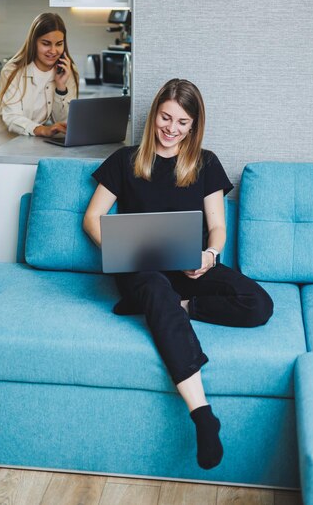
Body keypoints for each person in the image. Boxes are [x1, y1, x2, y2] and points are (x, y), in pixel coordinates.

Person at [83, 78, 273, 470]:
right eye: (165, 118)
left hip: (189, 267)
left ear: (193, 126)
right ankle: (203, 415)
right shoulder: (126, 160)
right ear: (154, 115)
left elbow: (217, 227)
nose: (171, 129)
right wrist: (123, 251)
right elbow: (92, 219)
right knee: (154, 284)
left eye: (182, 122)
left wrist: (209, 254)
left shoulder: (204, 163)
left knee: (258, 304)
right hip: (142, 270)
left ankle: (175, 305)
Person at [0, 12, 79, 261]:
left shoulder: (65, 71)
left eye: (59, 43)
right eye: (46, 43)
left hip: (19, 145)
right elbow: (10, 116)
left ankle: (16, 261)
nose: (53, 50)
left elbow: (65, 117)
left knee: (17, 206)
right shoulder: (14, 70)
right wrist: (42, 129)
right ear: (34, 42)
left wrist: (62, 86)